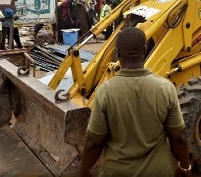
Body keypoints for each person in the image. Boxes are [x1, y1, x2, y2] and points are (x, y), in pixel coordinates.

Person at [80, 27, 190, 177]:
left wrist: (84, 171)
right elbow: (178, 137)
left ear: (117, 53)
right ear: (144, 51)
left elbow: (94, 142)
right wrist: (184, 166)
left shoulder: (106, 92)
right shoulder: (165, 88)